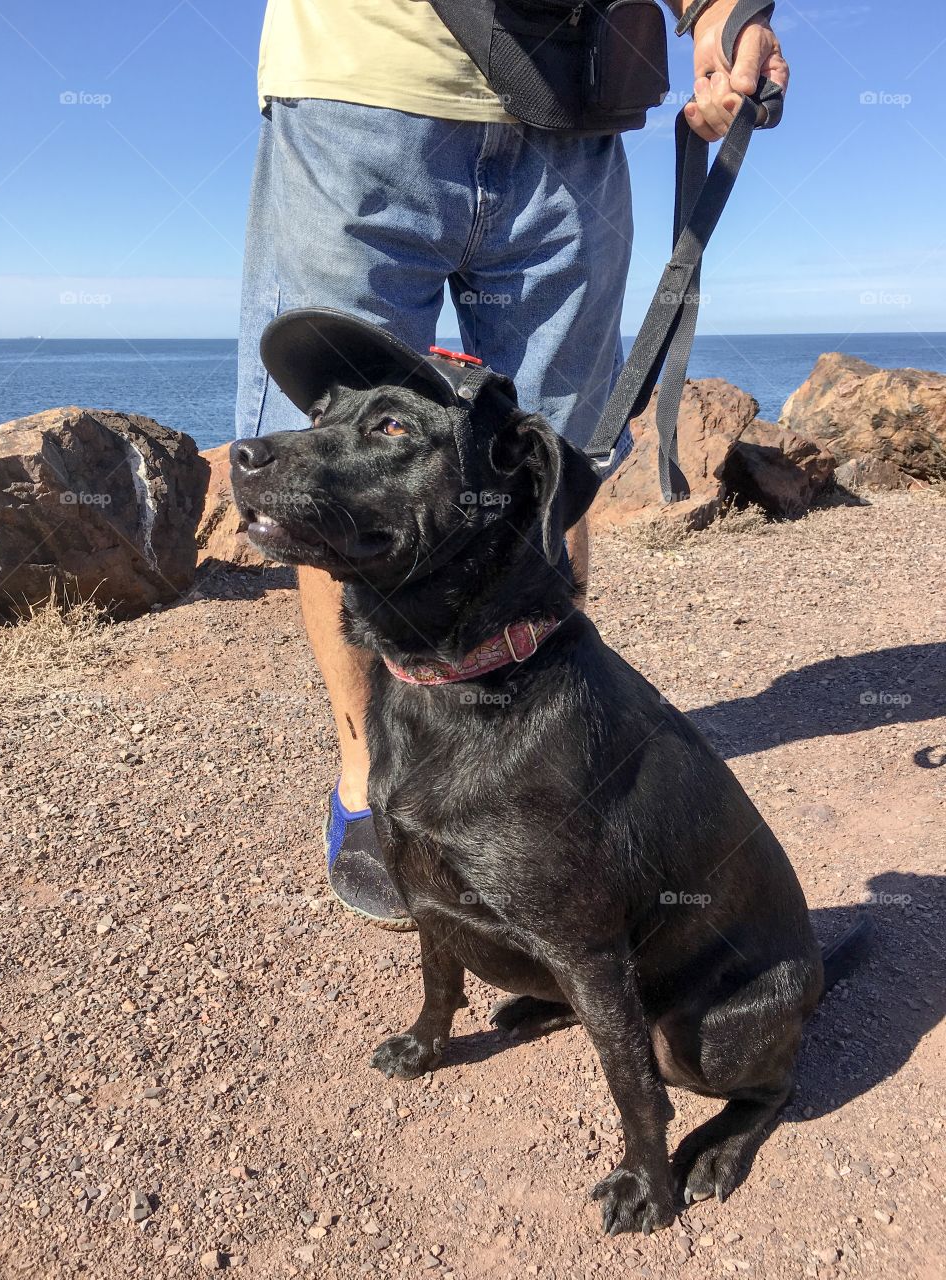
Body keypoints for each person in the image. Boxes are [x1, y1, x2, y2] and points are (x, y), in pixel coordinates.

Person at [235, 0, 789, 930]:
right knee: (333, 473)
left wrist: (719, 15)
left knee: (550, 464)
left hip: (574, 119)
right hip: (360, 92)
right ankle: (370, 773)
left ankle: (545, 757)